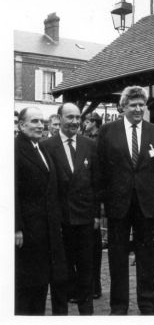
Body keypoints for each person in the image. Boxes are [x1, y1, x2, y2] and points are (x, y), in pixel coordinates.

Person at [97, 86, 154, 315]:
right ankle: (118, 307)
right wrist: (101, 202)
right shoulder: (108, 131)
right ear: (123, 107)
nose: (138, 109)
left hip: (147, 204)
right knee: (117, 259)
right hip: (118, 204)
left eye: (141, 105)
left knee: (146, 258)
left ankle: (148, 306)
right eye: (133, 105)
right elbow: (100, 170)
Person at [42, 103, 99, 315]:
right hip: (60, 221)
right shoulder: (47, 146)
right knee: (60, 272)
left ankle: (87, 314)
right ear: (59, 118)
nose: (75, 121)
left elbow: (96, 182)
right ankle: (60, 314)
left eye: (78, 117)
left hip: (84, 220)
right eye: (70, 117)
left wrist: (95, 215)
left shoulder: (90, 145)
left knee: (86, 271)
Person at [15, 107, 67, 315]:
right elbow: (11, 192)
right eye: (34, 121)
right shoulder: (14, 149)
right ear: (21, 125)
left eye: (42, 121)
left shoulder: (41, 148)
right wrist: (16, 227)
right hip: (27, 230)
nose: (40, 125)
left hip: (46, 229)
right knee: (26, 286)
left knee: (40, 283)